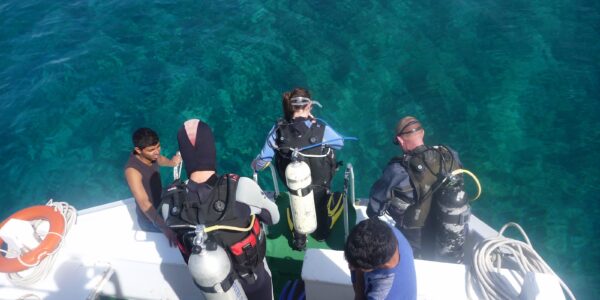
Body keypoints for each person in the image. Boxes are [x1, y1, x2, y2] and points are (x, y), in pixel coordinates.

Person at [165, 119, 279, 300]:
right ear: (211, 149)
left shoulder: (170, 203)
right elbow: (274, 217)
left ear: (185, 157)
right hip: (254, 282)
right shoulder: (242, 187)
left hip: (216, 290)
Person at [251, 87, 345, 250]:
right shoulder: (321, 129)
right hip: (320, 184)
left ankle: (299, 240)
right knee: (321, 206)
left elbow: (263, 160)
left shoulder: (278, 131)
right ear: (309, 106)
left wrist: (255, 165)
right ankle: (321, 234)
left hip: (293, 183)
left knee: (297, 204)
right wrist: (313, 124)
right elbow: (340, 143)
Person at [366, 116, 470, 263]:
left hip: (416, 240)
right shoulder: (450, 155)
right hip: (451, 231)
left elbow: (375, 205)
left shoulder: (397, 170)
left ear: (400, 141)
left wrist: (372, 215)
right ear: (423, 133)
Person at [124, 127, 181, 246]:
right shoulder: (132, 171)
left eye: (158, 146)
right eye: (151, 149)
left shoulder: (152, 156)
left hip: (161, 203)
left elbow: (159, 159)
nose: (157, 152)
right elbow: (144, 203)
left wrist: (172, 163)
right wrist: (165, 228)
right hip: (150, 219)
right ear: (138, 150)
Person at [344, 218, 417, 300]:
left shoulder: (384, 295)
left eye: (355, 267)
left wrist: (359, 294)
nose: (350, 266)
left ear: (378, 266)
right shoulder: (386, 231)